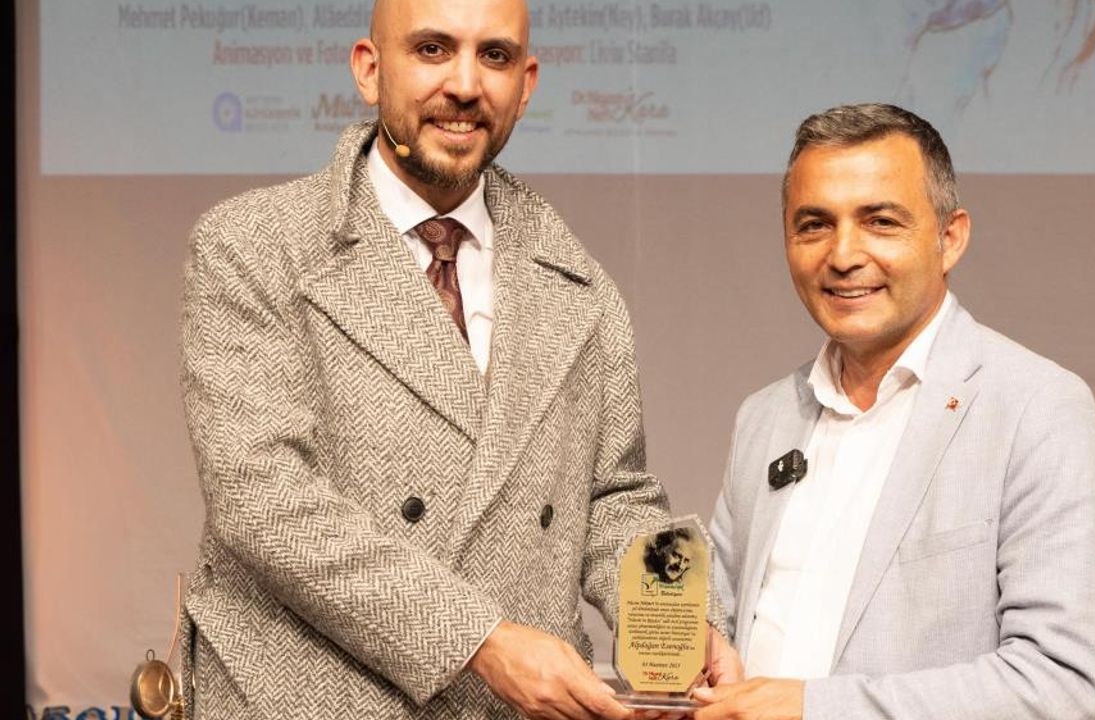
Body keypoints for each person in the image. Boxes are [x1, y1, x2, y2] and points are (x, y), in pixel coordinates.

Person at [178, 0, 732, 717]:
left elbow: (611, 498)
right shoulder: (253, 246)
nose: (466, 85)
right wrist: (481, 640)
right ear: (369, 71)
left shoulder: (581, 286)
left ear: (526, 84)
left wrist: (683, 626)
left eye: (494, 56)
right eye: (432, 50)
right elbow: (263, 500)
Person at [695, 103, 1095, 720]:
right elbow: (719, 625)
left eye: (880, 222)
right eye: (814, 225)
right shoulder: (765, 418)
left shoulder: (1039, 410)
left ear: (949, 238)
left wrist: (814, 709)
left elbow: (1058, 686)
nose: (843, 255)